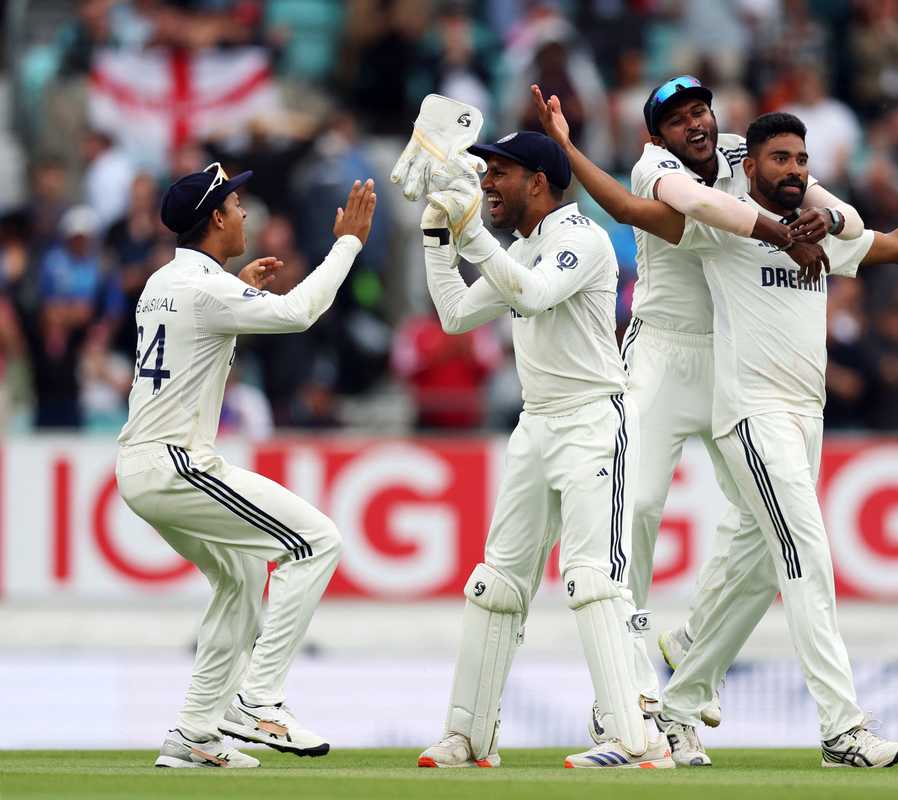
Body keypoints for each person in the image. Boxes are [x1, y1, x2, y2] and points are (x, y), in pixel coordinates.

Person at [535, 99, 898, 767]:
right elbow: (630, 211)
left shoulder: (821, 226)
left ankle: (680, 701)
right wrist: (567, 148)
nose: (794, 169)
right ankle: (842, 730)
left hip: (806, 415)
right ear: (751, 165)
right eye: (780, 159)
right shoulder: (725, 228)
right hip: (751, 414)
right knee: (806, 558)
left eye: (802, 160)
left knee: (765, 565)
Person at [533, 76, 863, 763]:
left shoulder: (752, 154)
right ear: (657, 134)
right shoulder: (654, 165)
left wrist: (822, 222)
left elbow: (845, 219)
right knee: (639, 507)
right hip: (660, 350)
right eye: (679, 118)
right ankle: (625, 696)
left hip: (737, 360)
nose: (696, 124)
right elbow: (688, 205)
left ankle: (691, 649)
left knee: (767, 528)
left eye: (701, 111)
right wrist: (783, 232)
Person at [412, 132, 670, 769]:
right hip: (538, 423)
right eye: (486, 172)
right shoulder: (523, 248)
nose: (487, 183)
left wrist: (472, 233)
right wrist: (437, 238)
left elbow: (528, 294)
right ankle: (469, 737)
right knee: (496, 583)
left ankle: (635, 740)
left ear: (539, 181)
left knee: (592, 577)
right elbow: (454, 316)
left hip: (593, 420)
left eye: (499, 172)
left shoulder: (580, 237)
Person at [115, 163, 377, 768]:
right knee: (316, 540)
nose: (245, 213)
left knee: (238, 583)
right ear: (215, 219)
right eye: (235, 205)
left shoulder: (167, 280)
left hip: (143, 465)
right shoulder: (207, 289)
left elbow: (207, 320)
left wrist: (238, 283)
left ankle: (195, 734)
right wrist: (348, 245)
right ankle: (258, 700)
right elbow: (297, 315)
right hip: (175, 462)